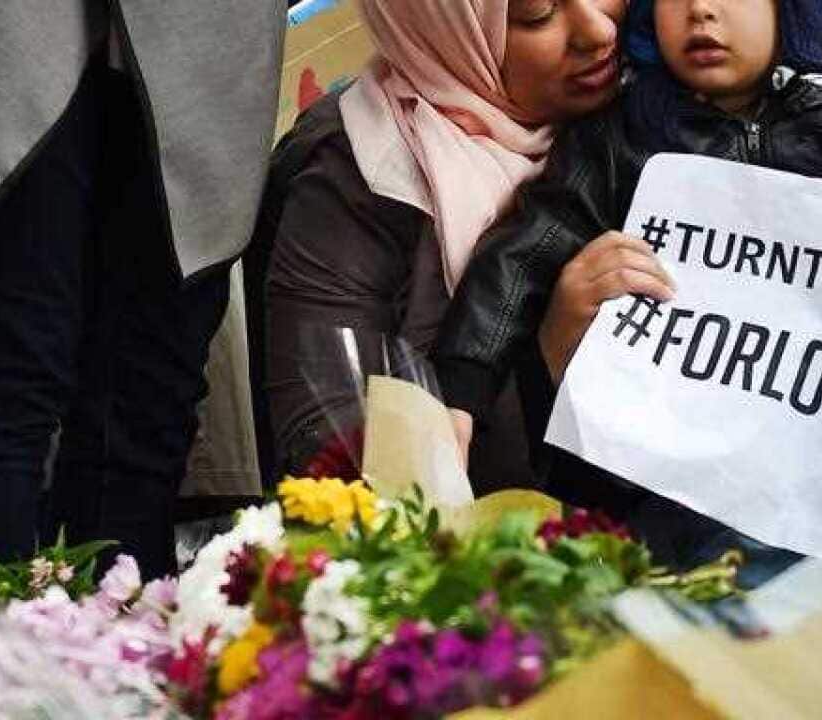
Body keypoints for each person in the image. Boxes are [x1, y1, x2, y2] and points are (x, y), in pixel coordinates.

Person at [434, 0, 822, 714]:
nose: (702, 11)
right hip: (709, 480)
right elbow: (522, 258)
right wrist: (460, 390)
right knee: (757, 642)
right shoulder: (617, 144)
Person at [255, 0, 637, 495]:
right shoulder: (361, 179)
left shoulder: (672, 98)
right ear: (446, 29)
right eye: (538, 15)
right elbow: (333, 445)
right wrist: (545, 357)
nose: (597, 30)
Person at [0, 4, 284, 578]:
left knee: (148, 401)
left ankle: (117, 649)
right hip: (6, 23)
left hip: (211, 28)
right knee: (3, 391)